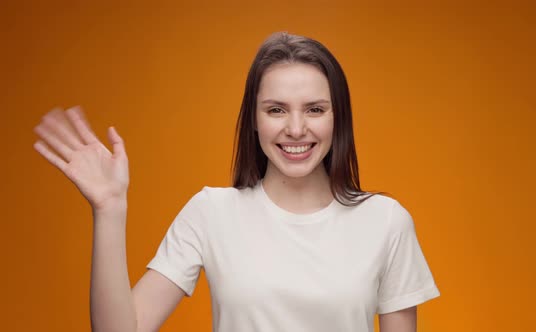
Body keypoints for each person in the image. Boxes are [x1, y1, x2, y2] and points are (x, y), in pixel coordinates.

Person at [33, 32, 440, 332]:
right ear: (254, 120)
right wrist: (109, 210)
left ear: (339, 119)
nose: (296, 129)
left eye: (315, 109)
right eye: (276, 109)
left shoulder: (386, 221)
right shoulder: (211, 212)